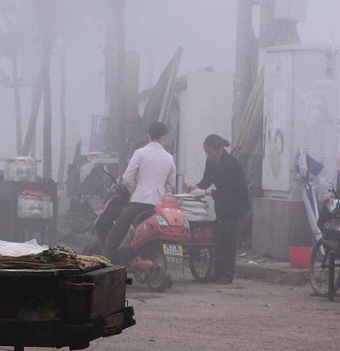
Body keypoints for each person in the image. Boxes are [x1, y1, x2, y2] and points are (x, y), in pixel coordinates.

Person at [103, 121, 176, 265]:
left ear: (148, 135)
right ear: (164, 137)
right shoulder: (169, 158)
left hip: (139, 203)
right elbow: (171, 184)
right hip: (158, 207)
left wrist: (135, 191)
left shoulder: (140, 153)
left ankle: (104, 263)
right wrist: (161, 193)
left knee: (116, 233)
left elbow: (127, 178)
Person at [183, 134, 251, 284]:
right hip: (223, 207)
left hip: (237, 207)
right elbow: (207, 179)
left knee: (229, 241)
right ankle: (216, 273)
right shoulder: (211, 162)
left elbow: (227, 191)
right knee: (218, 241)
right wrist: (195, 188)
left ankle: (227, 275)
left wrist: (205, 192)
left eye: (210, 152)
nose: (208, 155)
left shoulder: (231, 164)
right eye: (206, 152)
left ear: (219, 150)